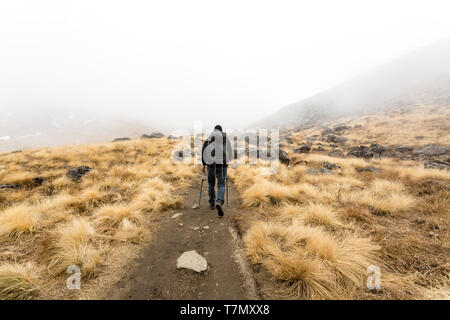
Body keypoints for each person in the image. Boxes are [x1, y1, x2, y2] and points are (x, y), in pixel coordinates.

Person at [201, 125, 233, 217]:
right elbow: (230, 153)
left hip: (211, 165)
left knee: (211, 184)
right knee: (221, 184)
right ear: (221, 131)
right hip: (222, 165)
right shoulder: (226, 139)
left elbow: (203, 152)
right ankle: (219, 201)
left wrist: (204, 164)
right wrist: (227, 162)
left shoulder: (208, 139)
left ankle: (211, 203)